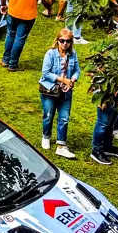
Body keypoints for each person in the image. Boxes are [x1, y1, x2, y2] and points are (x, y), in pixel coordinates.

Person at [38, 30, 79, 159]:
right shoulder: (50, 54)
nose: (65, 44)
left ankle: (61, 144)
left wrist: (72, 80)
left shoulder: (73, 54)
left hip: (66, 91)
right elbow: (46, 73)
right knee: (48, 115)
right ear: (58, 40)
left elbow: (77, 70)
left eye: (68, 41)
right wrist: (63, 80)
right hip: (50, 90)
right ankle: (46, 136)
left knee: (64, 118)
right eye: (62, 41)